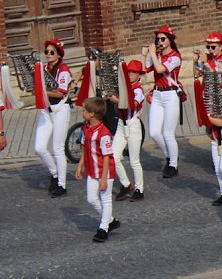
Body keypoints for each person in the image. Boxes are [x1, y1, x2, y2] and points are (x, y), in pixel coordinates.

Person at [75, 97, 120, 242]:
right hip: (91, 170)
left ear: (92, 113)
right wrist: (80, 165)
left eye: (84, 110)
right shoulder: (86, 128)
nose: (82, 113)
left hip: (104, 171)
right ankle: (110, 220)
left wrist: (104, 178)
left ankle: (103, 229)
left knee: (106, 199)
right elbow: (84, 148)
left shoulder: (104, 133)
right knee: (91, 199)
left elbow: (107, 156)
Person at [34, 38, 73, 197]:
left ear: (58, 55)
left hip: (60, 110)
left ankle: (62, 185)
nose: (48, 54)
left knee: (57, 148)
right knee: (39, 147)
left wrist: (40, 89)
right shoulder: (43, 68)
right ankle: (55, 173)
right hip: (46, 110)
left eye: (52, 52)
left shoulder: (63, 70)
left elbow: (59, 92)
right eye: (46, 52)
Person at [143, 25, 183, 179]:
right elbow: (144, 69)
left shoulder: (175, 57)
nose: (159, 41)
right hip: (158, 94)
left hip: (171, 94)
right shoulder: (157, 56)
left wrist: (153, 53)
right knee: (153, 131)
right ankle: (170, 155)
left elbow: (160, 70)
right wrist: (144, 55)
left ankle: (173, 164)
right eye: (157, 39)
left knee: (168, 133)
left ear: (170, 40)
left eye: (162, 38)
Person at [111, 59, 146, 202]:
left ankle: (139, 189)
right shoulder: (123, 88)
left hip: (132, 124)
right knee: (113, 156)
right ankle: (126, 184)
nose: (130, 74)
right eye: (129, 71)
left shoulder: (138, 89)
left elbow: (132, 105)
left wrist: (116, 100)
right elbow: (117, 109)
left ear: (139, 75)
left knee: (134, 160)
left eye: (134, 72)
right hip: (121, 123)